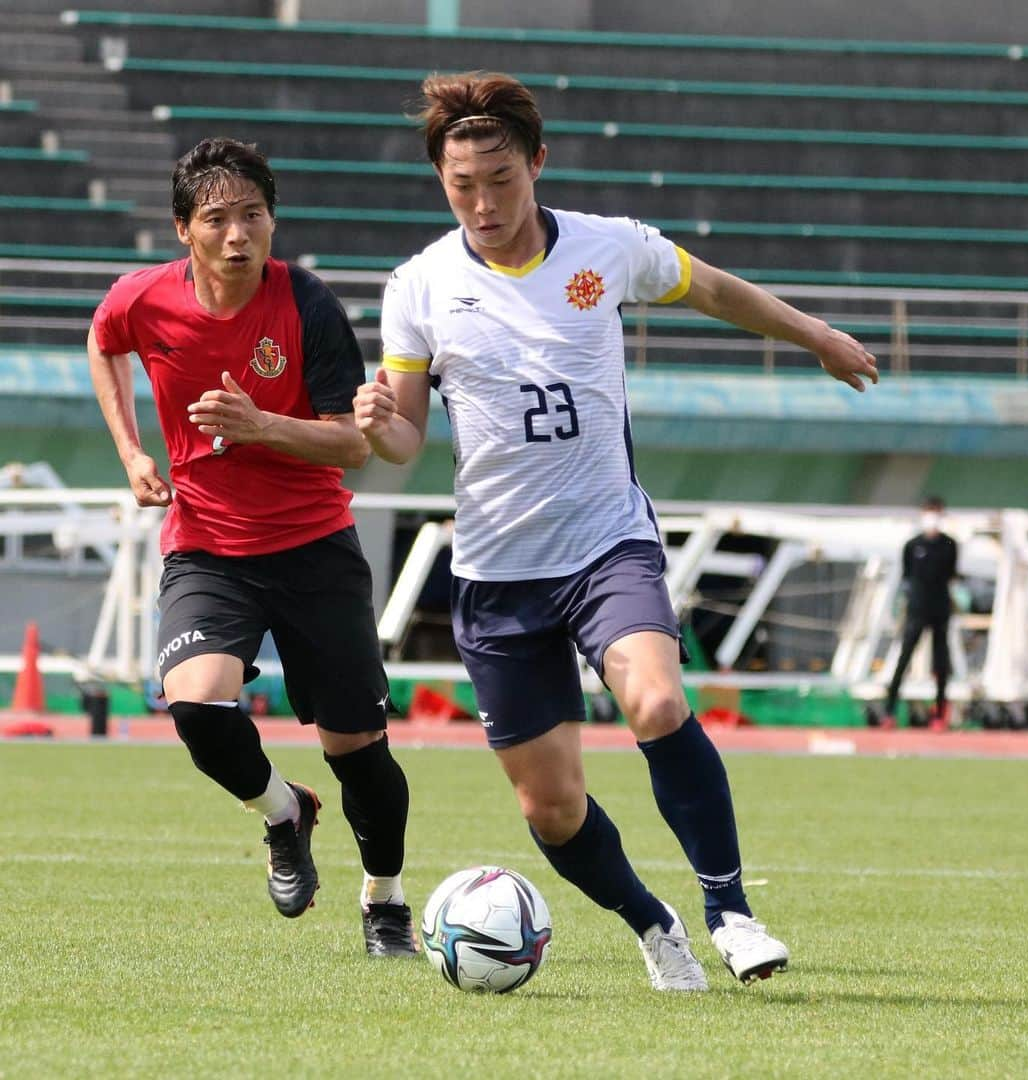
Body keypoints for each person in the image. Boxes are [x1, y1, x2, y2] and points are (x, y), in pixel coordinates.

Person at [353, 73, 878, 991]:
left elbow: (715, 291)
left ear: (538, 165)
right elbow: (401, 440)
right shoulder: (419, 287)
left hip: (606, 545)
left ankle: (732, 913)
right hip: (497, 572)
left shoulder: (609, 248)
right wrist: (373, 421)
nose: (482, 202)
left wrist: (816, 335)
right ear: (440, 180)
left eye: (501, 179)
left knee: (659, 705)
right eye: (462, 185)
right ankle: (655, 922)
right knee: (552, 810)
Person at [88, 137, 417, 957]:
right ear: (183, 231)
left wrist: (260, 426)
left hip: (314, 547)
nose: (238, 234)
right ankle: (282, 811)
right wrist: (132, 452)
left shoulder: (308, 306)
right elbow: (103, 341)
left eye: (253, 216)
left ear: (273, 222)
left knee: (357, 751)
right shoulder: (145, 299)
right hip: (206, 547)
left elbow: (353, 447)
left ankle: (385, 903)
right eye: (217, 219)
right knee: (196, 703)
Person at [881, 496, 959, 731]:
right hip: (917, 608)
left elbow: (950, 575)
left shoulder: (949, 545)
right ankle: (889, 711)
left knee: (941, 662)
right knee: (904, 657)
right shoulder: (912, 545)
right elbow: (908, 576)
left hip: (940, 608)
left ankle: (939, 714)